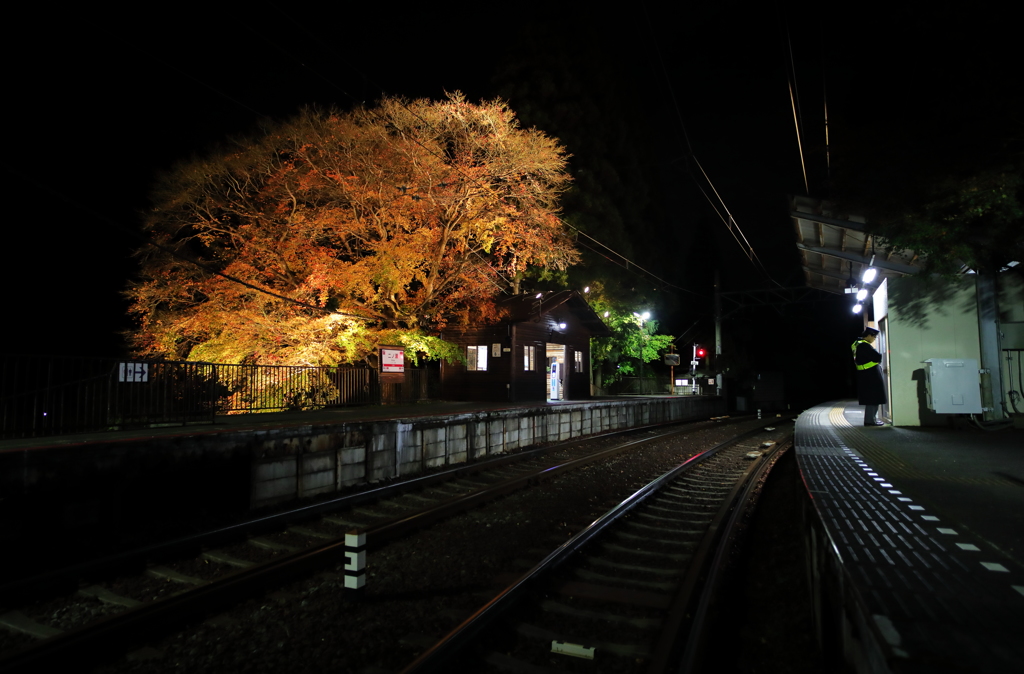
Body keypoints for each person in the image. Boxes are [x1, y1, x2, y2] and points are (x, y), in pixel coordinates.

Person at [852, 327, 887, 426]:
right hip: (871, 374)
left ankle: (871, 420)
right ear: (868, 335)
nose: (874, 339)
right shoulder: (864, 345)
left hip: (864, 374)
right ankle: (870, 421)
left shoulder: (856, 344)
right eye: (874, 337)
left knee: (871, 397)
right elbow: (877, 357)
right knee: (874, 397)